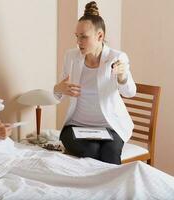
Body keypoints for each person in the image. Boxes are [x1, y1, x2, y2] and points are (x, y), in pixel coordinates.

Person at [54, 1, 136, 165]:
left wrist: (122, 76)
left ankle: (112, 191)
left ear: (100, 36)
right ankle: (90, 189)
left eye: (84, 37)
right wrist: (59, 88)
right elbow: (58, 96)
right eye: (76, 36)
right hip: (76, 126)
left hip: (110, 127)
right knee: (91, 151)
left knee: (110, 153)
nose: (78, 42)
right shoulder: (71, 57)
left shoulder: (116, 57)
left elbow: (130, 92)